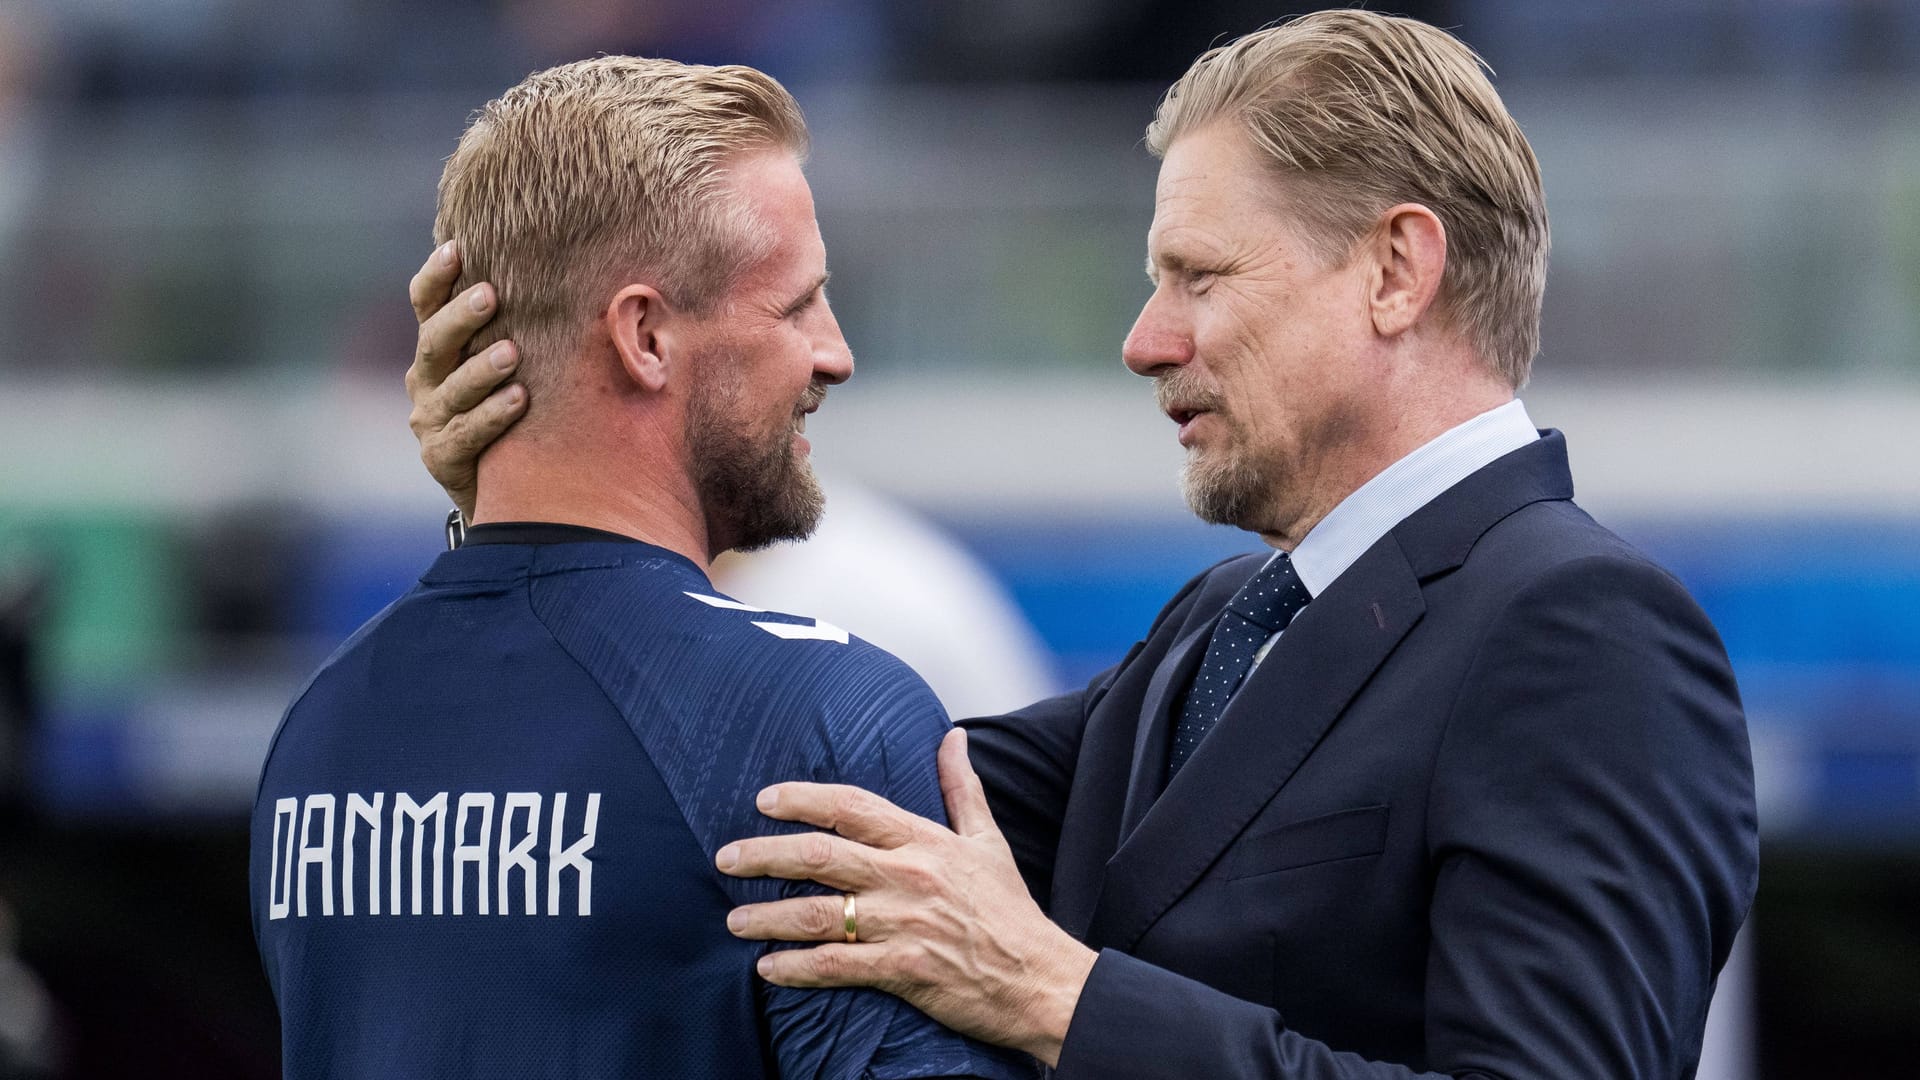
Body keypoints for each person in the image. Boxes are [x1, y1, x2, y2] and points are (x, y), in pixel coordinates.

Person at [404, 11, 1758, 1078]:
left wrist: (1059, 999)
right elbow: (768, 797)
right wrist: (534, 488)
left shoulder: (1586, 628)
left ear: (1398, 270)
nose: (1144, 339)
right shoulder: (1222, 624)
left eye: (1201, 276)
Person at [250, 56, 1035, 1080]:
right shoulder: (821, 717)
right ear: (646, 336)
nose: (834, 355)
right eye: (797, 306)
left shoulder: (321, 729)